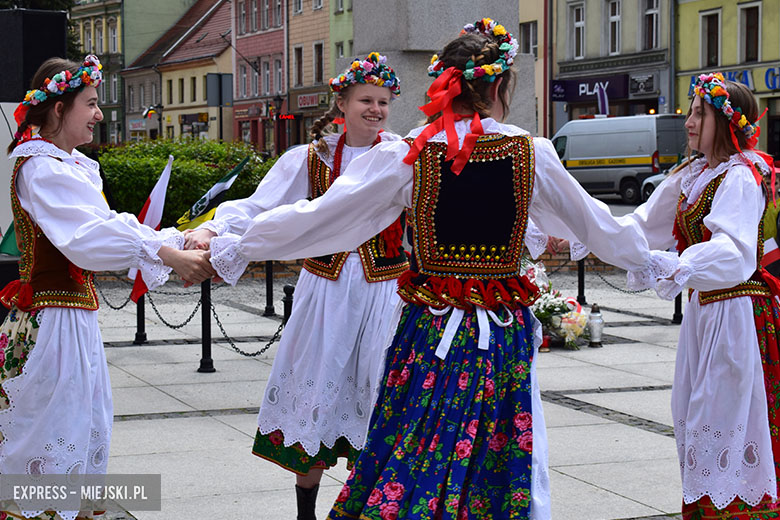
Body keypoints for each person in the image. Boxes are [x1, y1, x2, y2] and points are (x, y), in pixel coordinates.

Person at [205, 19, 676, 519]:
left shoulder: (413, 153)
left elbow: (324, 215)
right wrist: (659, 263)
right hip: (499, 332)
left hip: (429, 327)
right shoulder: (528, 152)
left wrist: (230, 245)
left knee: (415, 444)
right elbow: (600, 226)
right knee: (495, 450)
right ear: (499, 86)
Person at [184, 52, 410, 520]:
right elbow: (259, 206)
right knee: (318, 392)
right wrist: (212, 230)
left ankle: (365, 505)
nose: (376, 109)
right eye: (366, 99)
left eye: (383, 102)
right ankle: (305, 510)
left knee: (378, 393)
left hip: (383, 293)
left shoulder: (403, 155)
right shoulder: (310, 159)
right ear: (342, 103)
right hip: (326, 292)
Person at [0, 55, 214, 520]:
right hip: (51, 325)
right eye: (92, 103)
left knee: (77, 433)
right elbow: (89, 239)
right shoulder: (41, 168)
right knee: (46, 441)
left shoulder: (70, 165)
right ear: (59, 109)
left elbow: (109, 225)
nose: (99, 114)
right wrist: (167, 252)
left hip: (73, 320)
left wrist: (176, 240)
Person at [615, 73, 780, 518]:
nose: (688, 122)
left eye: (699, 113)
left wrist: (676, 265)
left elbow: (733, 253)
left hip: (736, 316)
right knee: (698, 424)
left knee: (724, 424)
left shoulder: (744, 176)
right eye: (691, 111)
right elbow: (641, 225)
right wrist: (579, 234)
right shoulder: (692, 174)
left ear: (726, 123)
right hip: (705, 314)